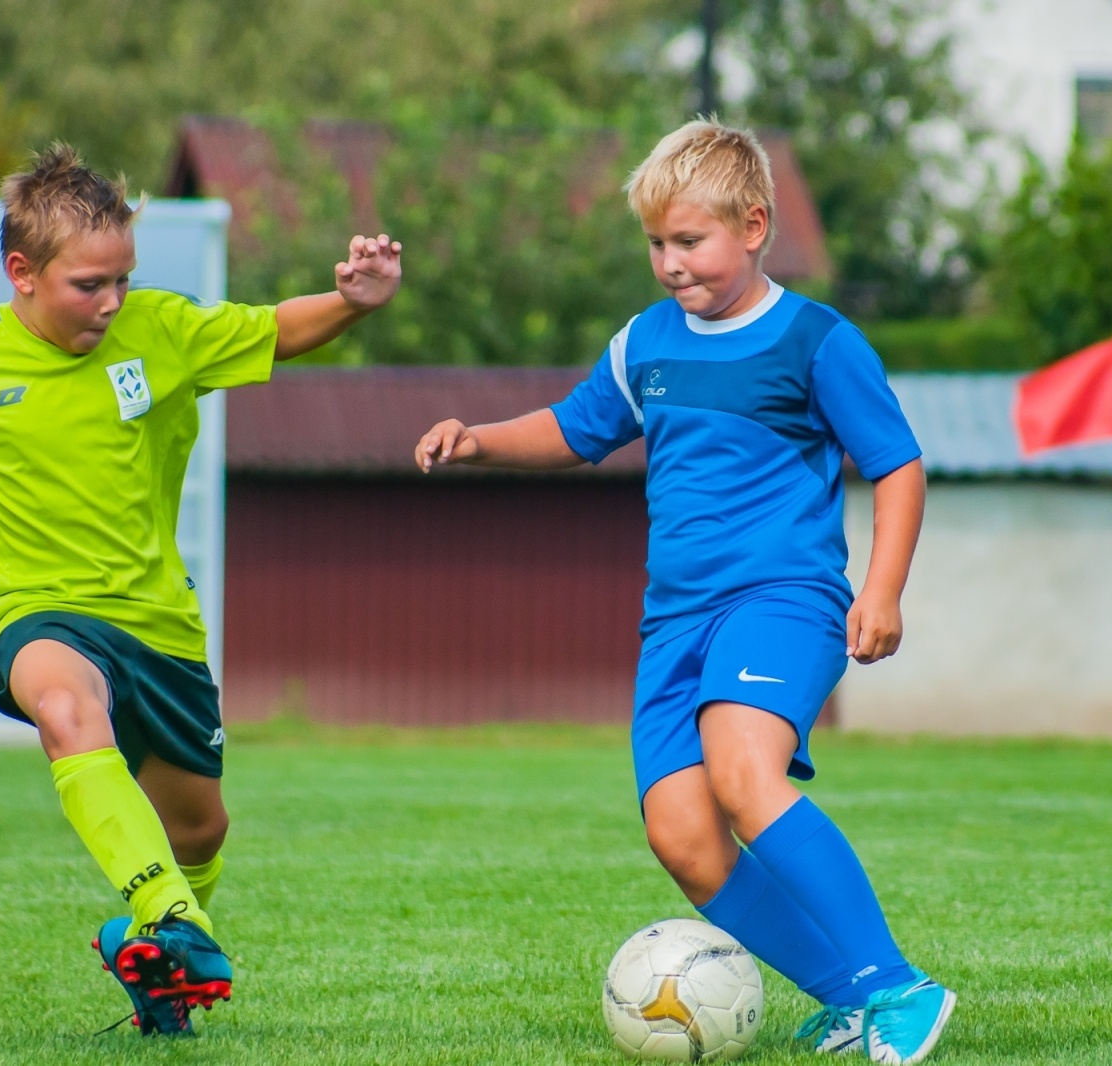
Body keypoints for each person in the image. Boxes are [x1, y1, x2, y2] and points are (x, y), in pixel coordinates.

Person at [414, 120, 951, 1064]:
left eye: (689, 241)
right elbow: (578, 429)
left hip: (783, 600)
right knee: (683, 838)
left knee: (745, 773)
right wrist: (480, 437)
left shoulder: (817, 340)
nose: (670, 263)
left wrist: (883, 591)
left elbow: (898, 465)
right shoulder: (645, 343)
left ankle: (896, 987)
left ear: (754, 226)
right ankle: (844, 998)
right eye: (656, 243)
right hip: (674, 624)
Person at [0, 144, 402, 1037]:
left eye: (122, 280)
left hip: (161, 625)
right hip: (39, 614)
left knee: (201, 831)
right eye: (88, 285)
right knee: (70, 710)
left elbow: (273, 329)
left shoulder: (162, 329)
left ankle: (149, 956)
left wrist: (351, 301)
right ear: (21, 273)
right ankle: (174, 921)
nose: (111, 302)